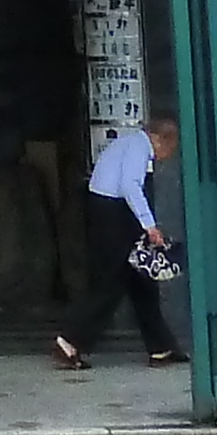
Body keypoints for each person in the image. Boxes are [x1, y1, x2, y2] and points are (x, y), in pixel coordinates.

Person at [51, 113, 188, 371]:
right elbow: (130, 186)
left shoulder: (130, 144)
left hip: (108, 211)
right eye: (172, 148)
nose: (169, 155)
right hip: (112, 216)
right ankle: (69, 341)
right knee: (110, 283)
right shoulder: (139, 148)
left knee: (142, 282)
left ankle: (160, 347)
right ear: (162, 140)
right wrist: (150, 225)